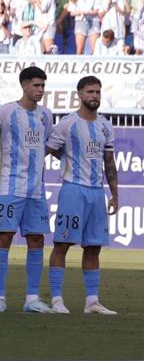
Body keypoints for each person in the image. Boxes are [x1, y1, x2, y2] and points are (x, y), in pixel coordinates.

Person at [0, 65, 55, 313]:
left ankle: (32, 299)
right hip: (10, 187)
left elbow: (49, 144)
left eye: (43, 85)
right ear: (24, 85)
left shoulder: (46, 115)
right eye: (36, 85)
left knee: (36, 240)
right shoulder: (5, 112)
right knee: (5, 237)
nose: (40, 90)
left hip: (36, 191)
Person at [46, 75, 119, 314]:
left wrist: (114, 194)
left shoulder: (105, 125)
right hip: (73, 190)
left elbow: (109, 161)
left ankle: (92, 302)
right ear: (79, 94)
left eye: (97, 92)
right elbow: (49, 150)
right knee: (62, 244)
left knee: (93, 247)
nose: (94, 96)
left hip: (97, 193)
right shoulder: (67, 124)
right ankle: (57, 300)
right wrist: (67, 160)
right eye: (90, 92)